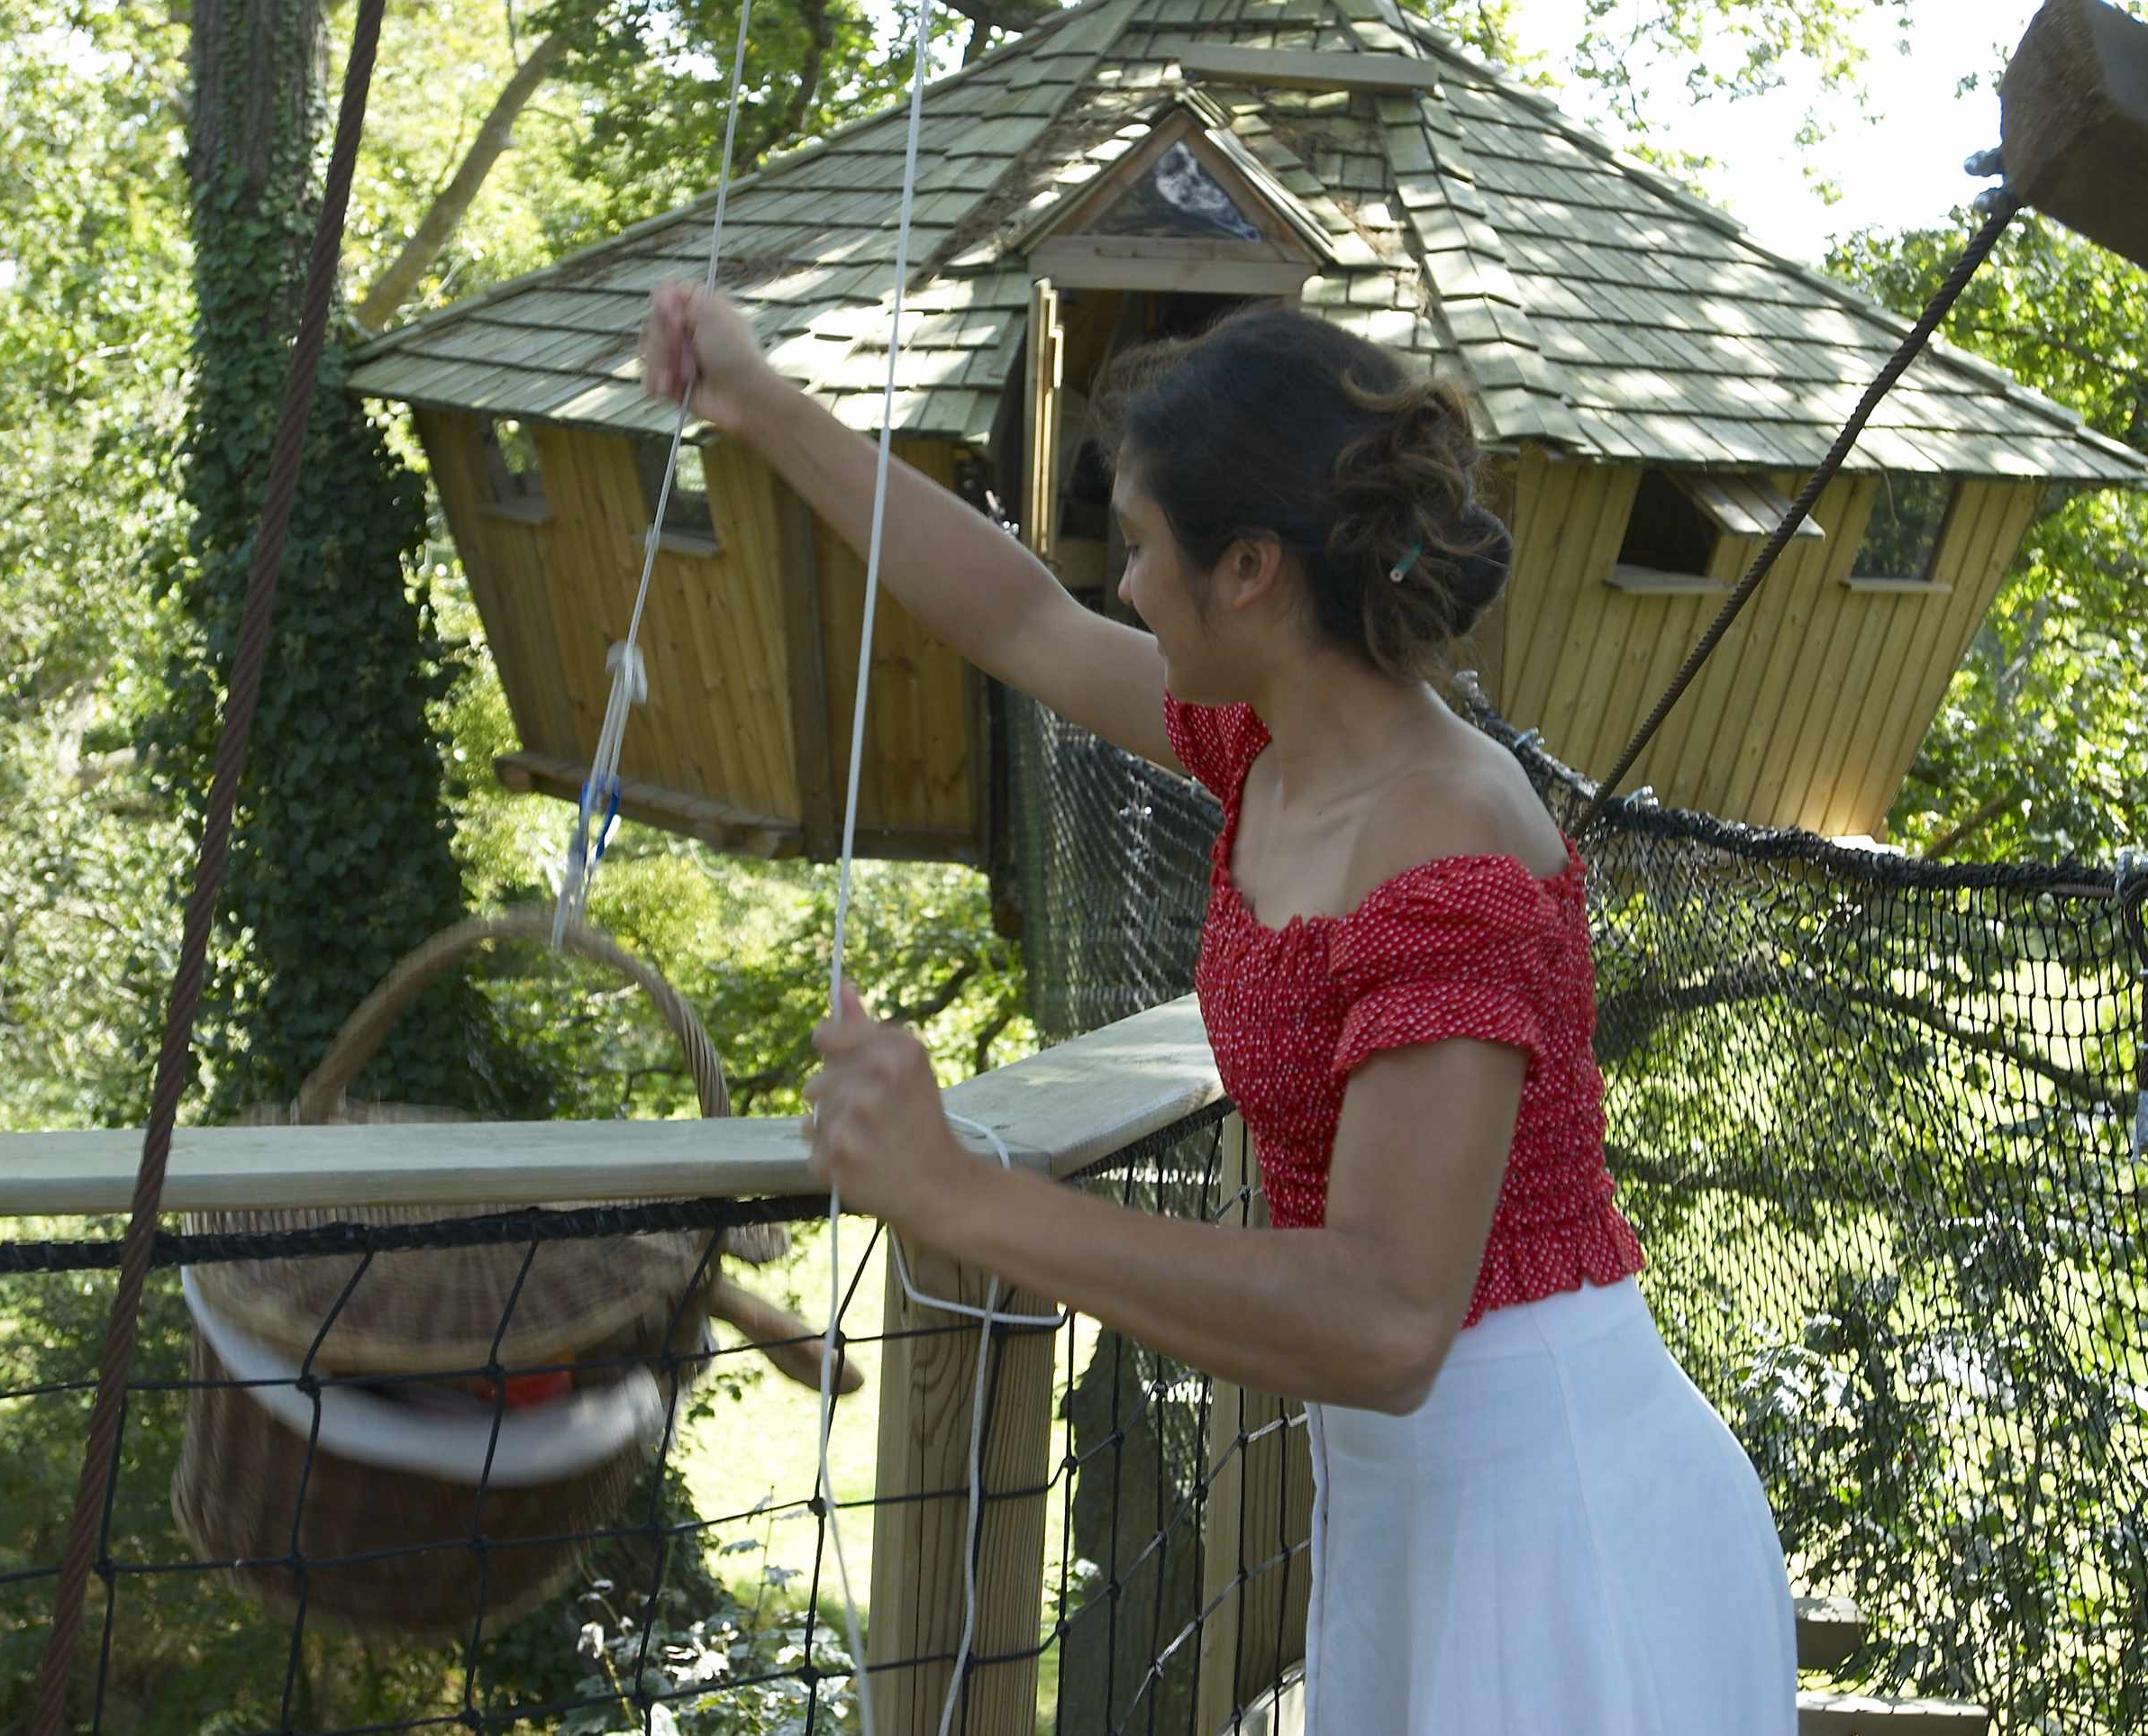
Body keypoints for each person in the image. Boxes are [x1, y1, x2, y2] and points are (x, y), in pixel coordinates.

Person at [638, 284, 1798, 1733]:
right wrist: (754, 402)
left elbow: (1387, 1319)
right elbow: (1016, 616)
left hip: (1550, 1520)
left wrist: (960, 1195)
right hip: (1413, 1498)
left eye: (1140, 547)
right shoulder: (1274, 747)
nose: (1122, 584)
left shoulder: (1453, 853)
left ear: (1249, 567)